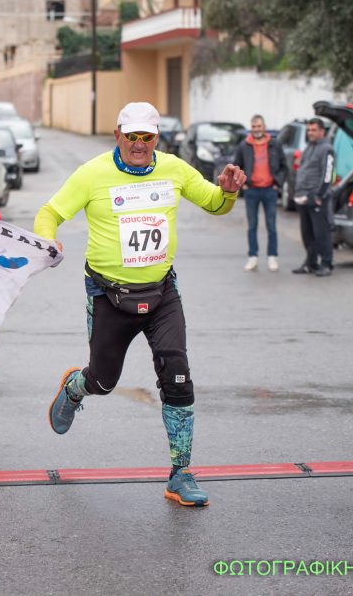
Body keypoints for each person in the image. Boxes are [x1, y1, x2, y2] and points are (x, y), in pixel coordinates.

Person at [34, 101, 246, 507]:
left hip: (162, 293)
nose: (138, 144)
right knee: (104, 380)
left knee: (178, 375)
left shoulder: (174, 169)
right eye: (131, 136)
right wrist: (48, 239)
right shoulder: (93, 174)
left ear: (156, 138)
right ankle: (76, 387)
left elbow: (215, 203)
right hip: (109, 296)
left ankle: (180, 473)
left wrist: (229, 191)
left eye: (146, 136)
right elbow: (51, 211)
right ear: (117, 135)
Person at [231, 114, 288, 272]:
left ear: (264, 127)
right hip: (252, 190)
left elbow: (284, 166)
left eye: (259, 126)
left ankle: (272, 257)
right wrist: (243, 185)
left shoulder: (274, 144)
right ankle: (253, 257)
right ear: (251, 128)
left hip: (270, 189)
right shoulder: (244, 145)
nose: (256, 129)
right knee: (252, 226)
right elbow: (236, 167)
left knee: (271, 225)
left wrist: (278, 183)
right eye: (254, 127)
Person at [292, 118, 336, 277]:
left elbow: (327, 174)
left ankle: (326, 264)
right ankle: (311, 263)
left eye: (313, 130)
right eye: (308, 130)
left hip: (317, 198)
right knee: (307, 234)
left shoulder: (327, 149)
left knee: (321, 233)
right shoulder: (309, 148)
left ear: (322, 131)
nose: (310, 133)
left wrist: (319, 195)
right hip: (302, 197)